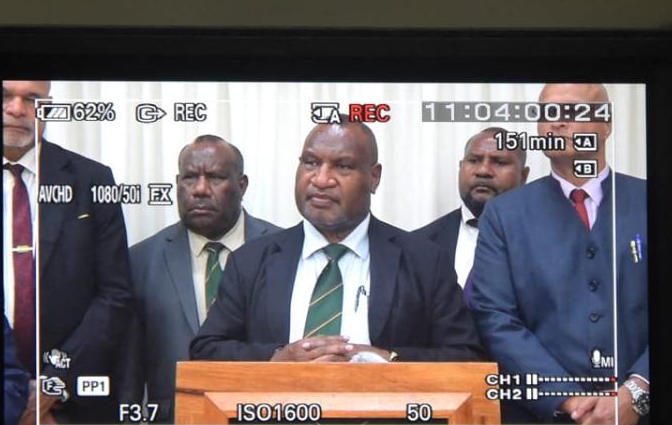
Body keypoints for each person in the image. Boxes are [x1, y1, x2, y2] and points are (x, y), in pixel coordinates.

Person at [191, 121, 484, 364]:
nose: (320, 179)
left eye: (342, 167)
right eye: (311, 162)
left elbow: (466, 357)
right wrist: (276, 358)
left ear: (374, 177)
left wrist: (387, 360)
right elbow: (206, 350)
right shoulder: (251, 260)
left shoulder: (424, 261)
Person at [468, 83, 650, 425]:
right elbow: (495, 317)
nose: (556, 123)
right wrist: (574, 402)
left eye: (572, 112)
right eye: (547, 114)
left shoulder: (653, 200)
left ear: (606, 123)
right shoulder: (504, 215)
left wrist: (636, 393)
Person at [123, 135, 280, 425]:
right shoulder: (141, 260)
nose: (200, 189)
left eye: (216, 177)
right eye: (189, 177)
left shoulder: (281, 250)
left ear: (242, 184)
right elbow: (128, 372)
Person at [1, 79, 133, 425]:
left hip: (72, 411)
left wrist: (50, 385)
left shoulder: (92, 179)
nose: (16, 109)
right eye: (4, 96)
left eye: (32, 99)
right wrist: (7, 400)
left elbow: (114, 296)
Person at [415, 127, 530, 286]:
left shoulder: (548, 243)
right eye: (474, 160)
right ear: (461, 166)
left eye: (499, 162)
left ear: (523, 176)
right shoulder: (418, 244)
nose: (483, 171)